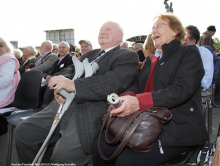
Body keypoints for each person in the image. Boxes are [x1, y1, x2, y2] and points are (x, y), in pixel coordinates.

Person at [14, 21, 139, 165]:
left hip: (90, 109)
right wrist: (60, 84)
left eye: (108, 29)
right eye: (100, 30)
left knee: (63, 156)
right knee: (24, 133)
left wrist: (72, 85)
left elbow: (114, 82)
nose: (102, 32)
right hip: (62, 104)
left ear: (120, 36)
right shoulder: (91, 53)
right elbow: (69, 70)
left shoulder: (126, 54)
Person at [93, 13, 208, 166]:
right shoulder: (151, 59)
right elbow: (137, 85)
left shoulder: (189, 53)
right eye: (152, 28)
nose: (153, 31)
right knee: (101, 146)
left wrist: (139, 102)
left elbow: (181, 90)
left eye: (158, 26)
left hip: (176, 128)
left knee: (126, 162)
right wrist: (126, 98)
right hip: (145, 123)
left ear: (175, 31)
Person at [183, 25, 213, 103]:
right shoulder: (177, 52)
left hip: (199, 92)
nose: (181, 42)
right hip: (179, 90)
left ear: (193, 41)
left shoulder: (205, 53)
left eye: (184, 39)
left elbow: (204, 82)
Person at [0, 37, 20, 108]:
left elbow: (6, 81)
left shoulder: (8, 60)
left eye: (1, 45)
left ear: (7, 47)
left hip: (4, 94)